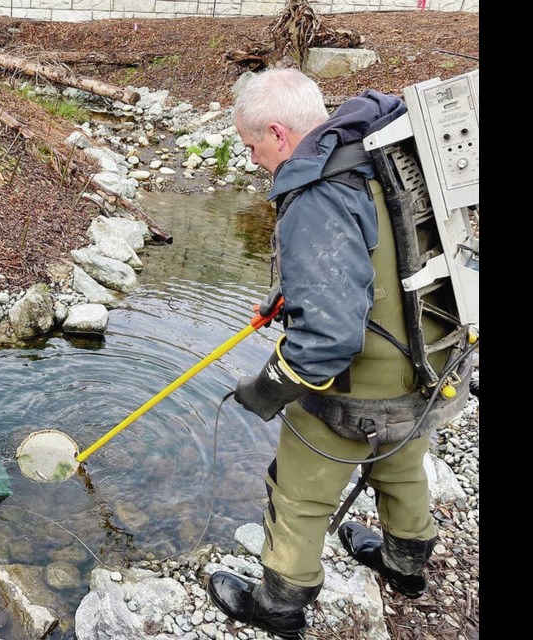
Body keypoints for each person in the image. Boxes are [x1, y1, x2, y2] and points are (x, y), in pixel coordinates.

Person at [206, 69, 472, 638]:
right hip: (429, 363)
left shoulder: (316, 195)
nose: (252, 160)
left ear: (278, 134)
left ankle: (278, 606)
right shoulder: (377, 152)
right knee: (401, 470)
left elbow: (326, 343)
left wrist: (268, 389)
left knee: (298, 492)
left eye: (252, 146)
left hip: (359, 388)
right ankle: (406, 569)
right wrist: (295, 288)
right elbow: (375, 257)